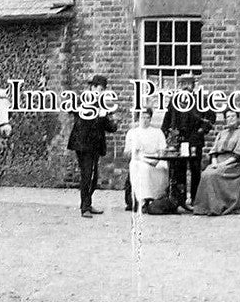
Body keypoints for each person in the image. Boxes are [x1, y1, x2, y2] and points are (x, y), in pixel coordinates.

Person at [67, 74, 117, 218]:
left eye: (102, 90)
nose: (100, 92)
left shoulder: (101, 105)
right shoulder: (82, 101)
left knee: (94, 177)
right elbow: (74, 111)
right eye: (98, 89)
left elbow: (107, 126)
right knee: (87, 175)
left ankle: (87, 204)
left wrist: (113, 123)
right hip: (82, 144)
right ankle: (85, 208)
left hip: (94, 145)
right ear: (92, 87)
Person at [160, 73, 215, 206]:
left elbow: (211, 118)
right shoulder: (174, 100)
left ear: (193, 85)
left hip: (195, 139)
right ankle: (180, 199)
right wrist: (165, 134)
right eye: (183, 84)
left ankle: (196, 199)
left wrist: (201, 131)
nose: (185, 87)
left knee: (195, 169)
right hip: (179, 140)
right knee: (179, 170)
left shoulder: (201, 100)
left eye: (188, 84)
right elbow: (167, 119)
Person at [193, 109, 240, 216]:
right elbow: (214, 152)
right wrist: (214, 162)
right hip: (218, 161)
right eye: (228, 117)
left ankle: (220, 205)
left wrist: (222, 164)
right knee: (205, 174)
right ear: (225, 120)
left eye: (233, 116)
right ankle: (204, 207)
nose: (231, 119)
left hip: (234, 164)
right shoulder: (221, 133)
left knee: (213, 174)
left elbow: (239, 155)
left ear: (238, 118)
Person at [124, 107, 169, 212]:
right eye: (142, 117)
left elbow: (162, 149)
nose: (145, 120)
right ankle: (142, 199)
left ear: (150, 119)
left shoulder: (157, 132)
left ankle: (157, 197)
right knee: (142, 168)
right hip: (139, 158)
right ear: (138, 119)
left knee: (163, 167)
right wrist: (134, 150)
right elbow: (127, 153)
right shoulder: (132, 132)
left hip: (155, 158)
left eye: (147, 118)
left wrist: (158, 159)